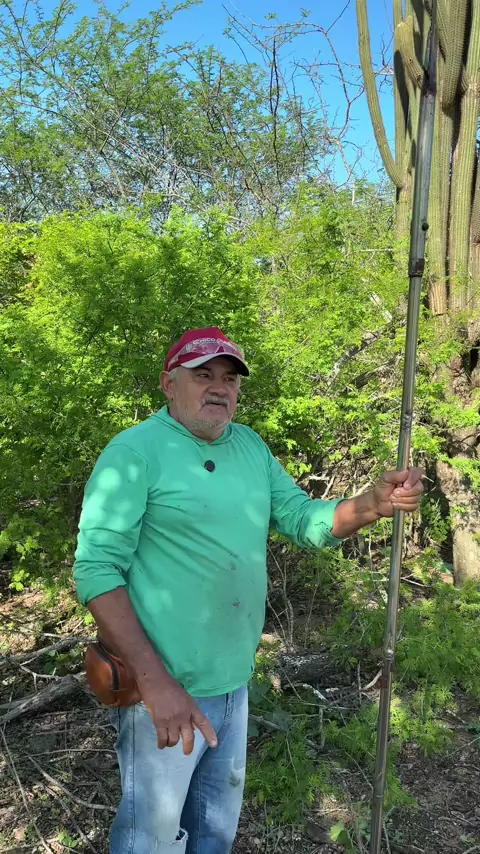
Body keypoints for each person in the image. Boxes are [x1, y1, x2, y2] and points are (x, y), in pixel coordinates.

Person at [73, 326, 423, 854]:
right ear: (168, 384)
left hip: (233, 687)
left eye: (230, 378)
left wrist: (372, 504)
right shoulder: (133, 453)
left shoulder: (250, 447)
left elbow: (302, 519)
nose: (219, 387)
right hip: (162, 693)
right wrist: (155, 683)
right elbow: (97, 570)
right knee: (151, 842)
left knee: (213, 835)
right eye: (203, 375)